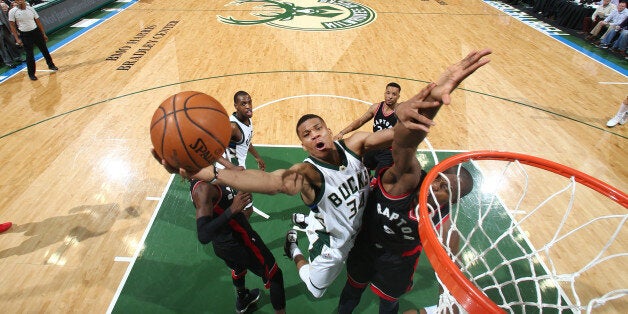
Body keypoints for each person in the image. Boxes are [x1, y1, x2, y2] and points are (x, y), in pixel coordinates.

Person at [154, 48, 492, 300]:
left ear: (330, 131)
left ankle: (312, 226)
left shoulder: (356, 144)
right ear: (304, 146)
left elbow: (403, 138)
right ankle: (296, 247)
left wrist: (422, 104)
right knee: (315, 289)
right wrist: (210, 172)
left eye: (318, 128)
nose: (315, 135)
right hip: (341, 242)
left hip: (368, 226)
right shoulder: (309, 173)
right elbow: (270, 182)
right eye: (306, 134)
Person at [337, 50, 488, 314]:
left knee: (389, 304)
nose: (438, 186)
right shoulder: (409, 179)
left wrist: (450, 299)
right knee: (351, 292)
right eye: (441, 180)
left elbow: (452, 265)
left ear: (452, 201)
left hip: (398, 263)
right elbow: (405, 146)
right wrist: (432, 100)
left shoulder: (443, 222)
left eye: (446, 190)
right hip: (366, 246)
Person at [189, 179, 286, 313]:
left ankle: (242, 299)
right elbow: (203, 235)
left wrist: (239, 207)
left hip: (223, 244)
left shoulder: (203, 179)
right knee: (274, 274)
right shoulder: (202, 188)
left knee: (238, 267)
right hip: (239, 241)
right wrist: (233, 209)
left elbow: (217, 210)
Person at [216, 91, 266, 218]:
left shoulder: (247, 119)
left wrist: (257, 156)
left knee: (239, 207)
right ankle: (239, 234)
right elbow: (214, 151)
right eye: (243, 104)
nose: (248, 106)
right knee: (246, 209)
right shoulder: (232, 127)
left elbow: (247, 141)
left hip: (237, 170)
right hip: (231, 173)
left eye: (249, 102)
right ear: (236, 106)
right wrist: (231, 168)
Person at [334, 82, 401, 172]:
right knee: (362, 170)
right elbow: (360, 121)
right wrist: (342, 132)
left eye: (394, 94)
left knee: (379, 180)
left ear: (398, 97)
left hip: (389, 151)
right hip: (375, 145)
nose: (390, 96)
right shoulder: (376, 107)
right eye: (388, 93)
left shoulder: (400, 112)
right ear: (384, 93)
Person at [8, 0, 57, 80]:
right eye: (17, 0)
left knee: (44, 49)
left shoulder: (30, 8)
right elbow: (12, 26)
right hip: (25, 34)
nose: (19, 1)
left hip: (36, 32)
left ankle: (51, 65)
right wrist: (17, 38)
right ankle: (31, 74)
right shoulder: (12, 11)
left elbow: (38, 22)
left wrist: (43, 34)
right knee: (29, 55)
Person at [0, 2, 22, 68]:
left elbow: (4, 16)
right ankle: (8, 62)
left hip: (4, 26)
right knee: (1, 47)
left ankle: (17, 57)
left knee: (11, 42)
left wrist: (9, 27)